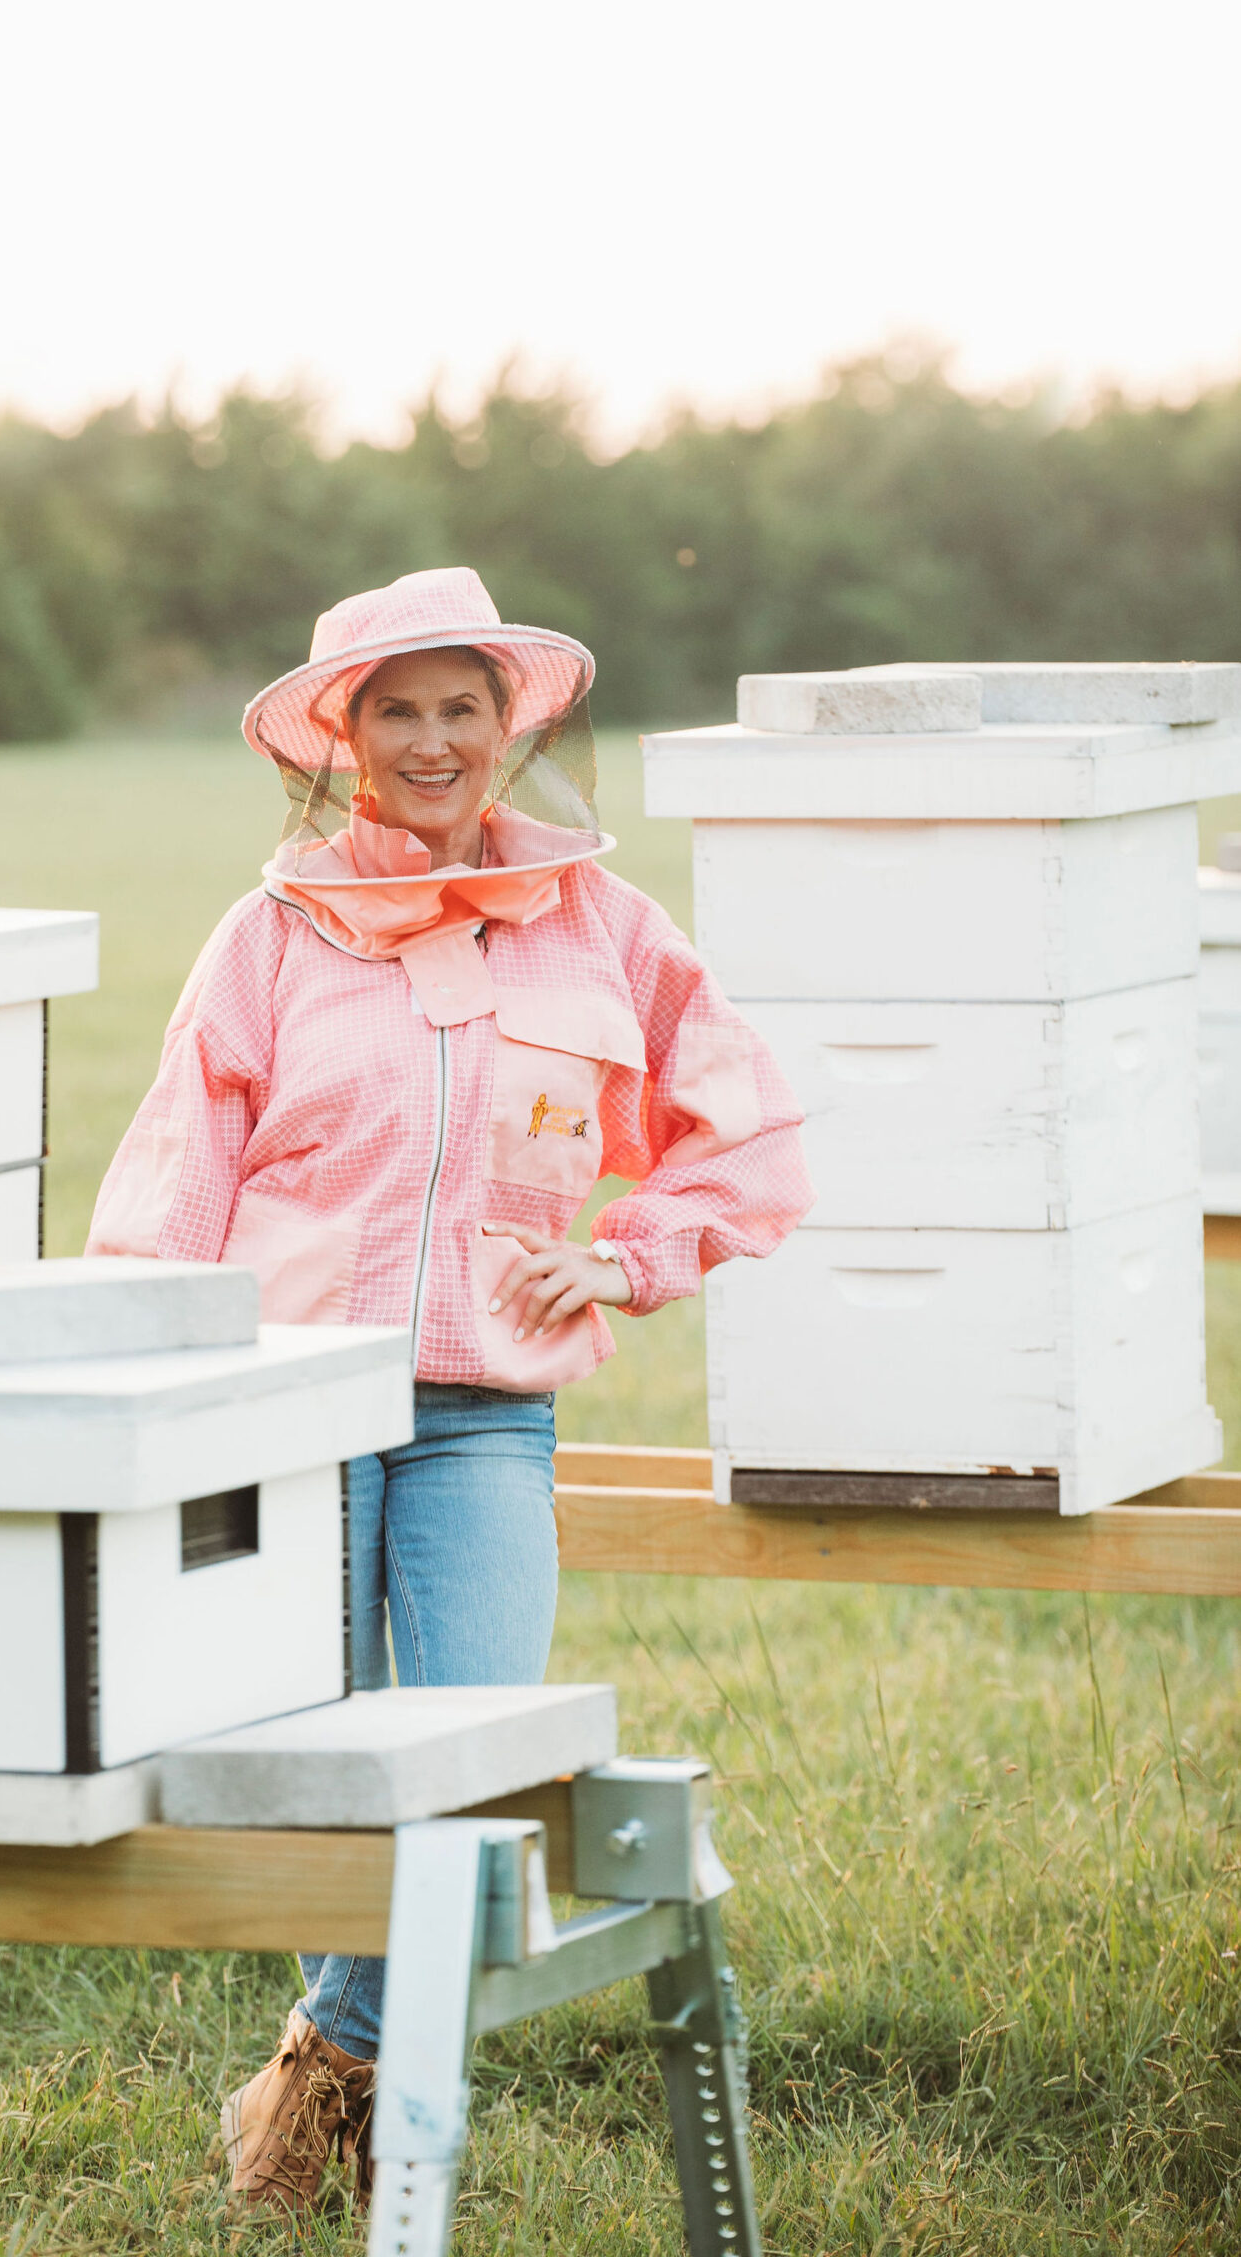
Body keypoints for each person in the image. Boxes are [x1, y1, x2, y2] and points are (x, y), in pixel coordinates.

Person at [86, 566, 811, 2216]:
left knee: (467, 1765)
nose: (430, 740)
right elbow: (176, 1170)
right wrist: (152, 1396)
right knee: (331, 1768)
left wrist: (627, 1259)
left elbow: (748, 1127)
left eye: (459, 709)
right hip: (295, 1404)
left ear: (508, 724)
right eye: (395, 710)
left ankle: (321, 2066)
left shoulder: (606, 928)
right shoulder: (273, 928)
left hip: (489, 1406)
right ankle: (352, 2091)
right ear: (342, 736)